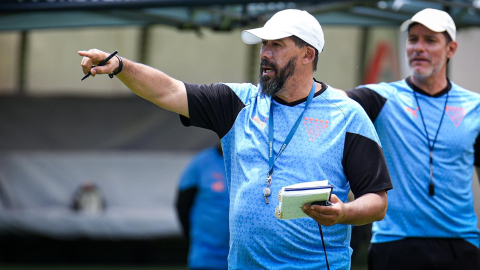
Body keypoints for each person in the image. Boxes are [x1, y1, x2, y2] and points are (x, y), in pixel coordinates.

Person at [79, 9, 392, 270]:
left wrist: (344, 213)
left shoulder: (347, 115)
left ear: (308, 54)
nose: (265, 54)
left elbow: (377, 202)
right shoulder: (237, 102)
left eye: (277, 46)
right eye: (263, 45)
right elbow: (169, 90)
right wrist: (120, 66)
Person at [336, 8, 480, 270]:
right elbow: (334, 100)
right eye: (413, 39)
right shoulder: (381, 97)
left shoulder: (475, 106)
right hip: (394, 244)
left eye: (430, 40)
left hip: (460, 244)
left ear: (451, 49)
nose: (418, 47)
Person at [175, 144, 229, 270]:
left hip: (244, 259)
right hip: (206, 258)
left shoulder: (251, 162)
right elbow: (183, 205)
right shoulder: (201, 163)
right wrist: (191, 240)